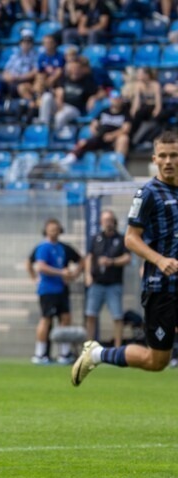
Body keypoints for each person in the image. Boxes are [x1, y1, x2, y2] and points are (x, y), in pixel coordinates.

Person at [72, 131, 178, 386]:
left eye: (174, 155)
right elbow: (131, 238)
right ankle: (97, 354)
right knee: (156, 361)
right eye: (162, 156)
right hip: (161, 288)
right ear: (154, 159)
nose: (168, 161)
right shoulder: (148, 193)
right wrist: (160, 260)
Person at [32, 218, 80, 364]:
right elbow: (41, 267)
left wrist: (72, 274)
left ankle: (64, 353)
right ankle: (40, 353)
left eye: (56, 228)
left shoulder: (61, 248)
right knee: (46, 319)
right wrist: (61, 273)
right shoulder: (43, 247)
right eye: (51, 228)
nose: (54, 231)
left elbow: (80, 261)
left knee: (65, 318)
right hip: (48, 290)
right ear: (46, 230)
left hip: (61, 289)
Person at [83, 210, 130, 348]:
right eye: (105, 220)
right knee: (91, 315)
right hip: (97, 283)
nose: (108, 223)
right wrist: (87, 275)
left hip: (113, 284)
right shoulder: (96, 238)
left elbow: (127, 258)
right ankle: (88, 347)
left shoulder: (121, 239)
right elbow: (89, 257)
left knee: (117, 317)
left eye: (110, 220)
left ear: (114, 221)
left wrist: (112, 261)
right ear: (101, 222)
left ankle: (117, 348)